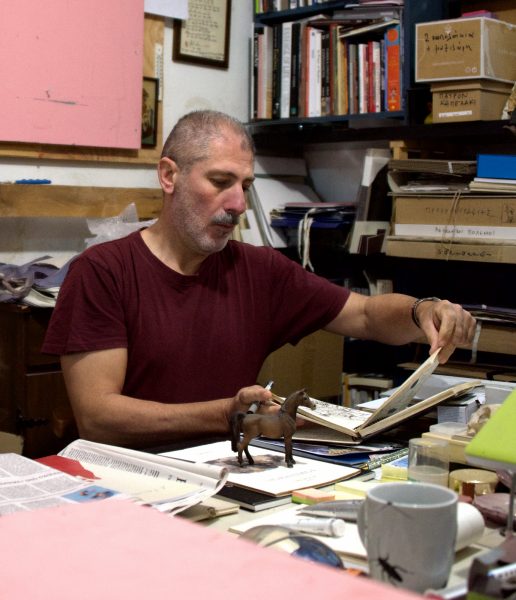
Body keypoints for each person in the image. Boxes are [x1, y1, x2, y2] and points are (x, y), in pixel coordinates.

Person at [42, 110, 476, 449]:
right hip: (131, 480)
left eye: (245, 186)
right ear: (169, 175)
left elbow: (364, 315)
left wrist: (423, 311)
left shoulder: (259, 269)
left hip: (228, 470)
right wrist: (224, 413)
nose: (238, 204)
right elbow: (98, 418)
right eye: (220, 182)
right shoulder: (103, 271)